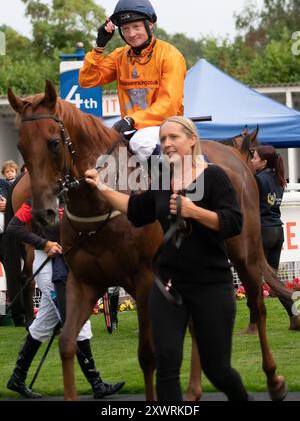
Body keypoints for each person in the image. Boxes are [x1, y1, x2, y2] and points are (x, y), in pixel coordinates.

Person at [85, 116, 251, 401]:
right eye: (163, 139)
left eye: (174, 137)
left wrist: (194, 211)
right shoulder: (163, 180)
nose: (167, 144)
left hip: (211, 286)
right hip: (168, 287)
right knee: (167, 367)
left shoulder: (214, 176)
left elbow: (233, 222)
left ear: (192, 140)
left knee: (217, 369)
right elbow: (136, 209)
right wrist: (102, 188)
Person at [5, 199, 125, 399]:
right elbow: (13, 227)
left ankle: (17, 378)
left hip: (67, 266)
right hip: (47, 267)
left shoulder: (71, 197)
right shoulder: (36, 200)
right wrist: (44, 243)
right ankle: (96, 383)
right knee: (76, 320)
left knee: (42, 324)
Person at [79, 0, 187, 161]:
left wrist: (132, 120)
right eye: (125, 29)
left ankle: (168, 185)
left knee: (140, 142)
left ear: (150, 25)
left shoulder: (170, 56)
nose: (131, 34)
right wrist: (99, 47)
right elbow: (87, 80)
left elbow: (169, 105)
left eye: (136, 27)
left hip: (167, 126)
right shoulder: (119, 56)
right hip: (131, 128)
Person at [246, 145, 300, 333]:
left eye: (254, 157)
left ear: (264, 162)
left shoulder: (257, 180)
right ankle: (295, 316)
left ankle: (254, 324)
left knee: (254, 279)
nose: (252, 160)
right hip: (277, 231)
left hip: (262, 232)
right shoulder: (278, 179)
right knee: (273, 280)